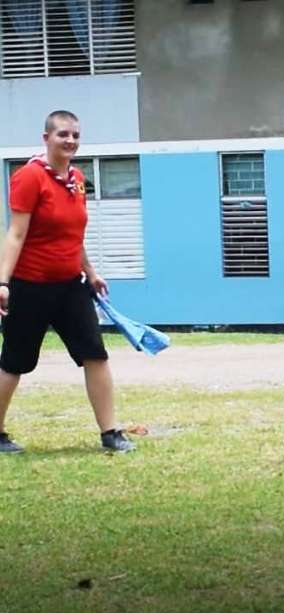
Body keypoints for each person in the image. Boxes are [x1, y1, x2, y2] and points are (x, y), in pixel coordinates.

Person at [0, 110, 136, 453]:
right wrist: (2, 283)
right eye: (63, 134)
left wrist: (90, 272)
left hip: (70, 286)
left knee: (95, 353)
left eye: (75, 134)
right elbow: (15, 234)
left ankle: (110, 433)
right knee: (15, 361)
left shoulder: (76, 178)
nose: (71, 140)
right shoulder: (29, 177)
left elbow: (73, 234)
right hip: (28, 285)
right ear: (46, 138)